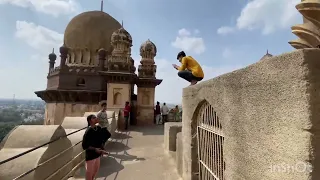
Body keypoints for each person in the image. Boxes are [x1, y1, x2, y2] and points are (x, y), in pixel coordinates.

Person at [82, 114, 108, 180]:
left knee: (95, 170)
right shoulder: (88, 131)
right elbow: (84, 145)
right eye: (94, 118)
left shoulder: (98, 128)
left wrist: (102, 149)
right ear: (90, 121)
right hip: (90, 155)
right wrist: (94, 149)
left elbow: (100, 140)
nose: (96, 118)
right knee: (89, 172)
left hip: (97, 154)